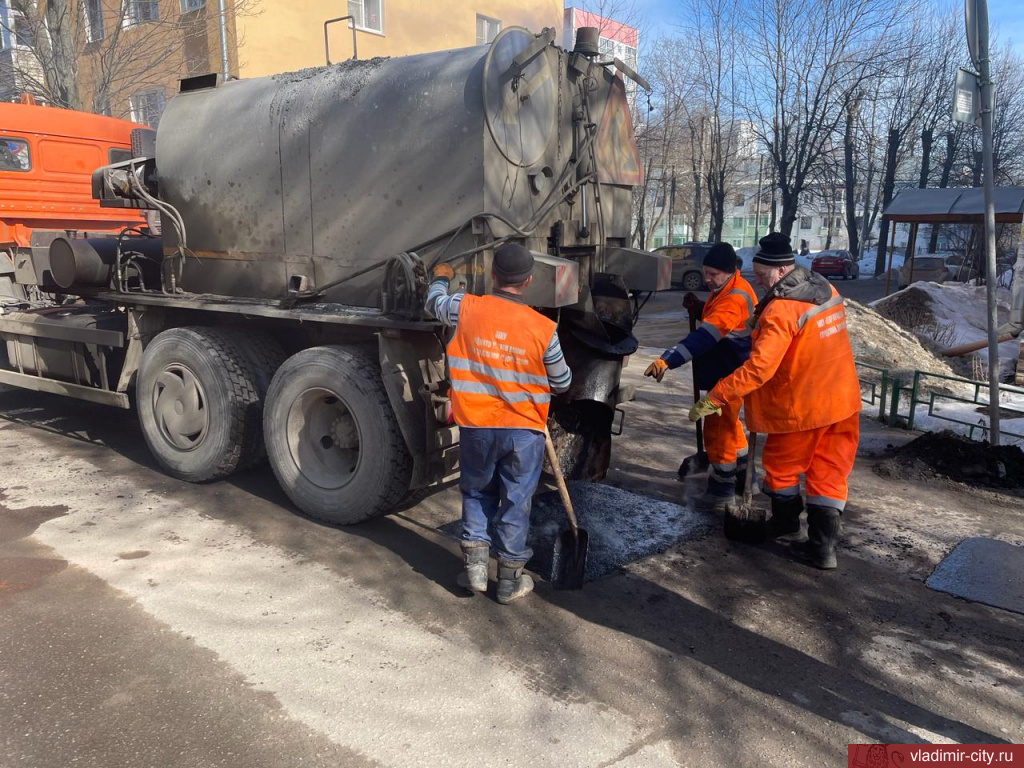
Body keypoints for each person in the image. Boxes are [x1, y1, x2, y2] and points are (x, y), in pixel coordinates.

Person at [689, 232, 860, 570]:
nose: (758, 281)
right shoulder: (823, 289)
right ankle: (822, 549)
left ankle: (785, 525)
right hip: (842, 401)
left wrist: (716, 397)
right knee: (828, 474)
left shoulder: (781, 310)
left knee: (781, 471)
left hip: (803, 407)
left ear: (781, 271)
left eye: (762, 275)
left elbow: (758, 369)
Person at [425, 243, 572, 603]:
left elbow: (432, 304)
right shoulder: (544, 329)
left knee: (477, 492)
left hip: (476, 425)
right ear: (528, 281)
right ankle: (509, 581)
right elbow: (562, 382)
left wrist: (440, 278)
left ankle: (475, 570)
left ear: (492, 274)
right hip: (523, 431)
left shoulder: (464, 307)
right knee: (516, 501)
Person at [643, 242, 757, 511]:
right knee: (731, 426)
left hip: (727, 374)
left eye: (713, 274)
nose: (707, 279)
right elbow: (723, 319)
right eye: (705, 272)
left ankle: (722, 491)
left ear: (730, 271)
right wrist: (700, 307)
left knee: (718, 431)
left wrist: (667, 360)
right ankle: (745, 476)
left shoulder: (733, 298)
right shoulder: (731, 288)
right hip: (731, 371)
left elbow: (705, 336)